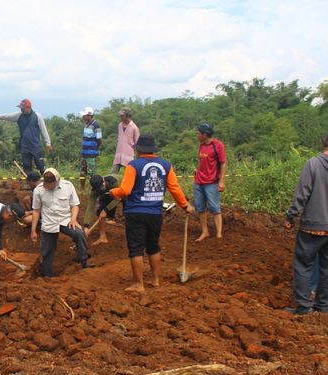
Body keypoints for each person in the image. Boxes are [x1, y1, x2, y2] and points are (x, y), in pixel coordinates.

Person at [109, 134, 194, 292]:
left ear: (139, 150)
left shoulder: (133, 165)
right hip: (155, 212)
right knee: (153, 246)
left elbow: (126, 190)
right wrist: (185, 205)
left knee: (136, 248)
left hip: (135, 212)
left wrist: (114, 192)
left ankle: (139, 284)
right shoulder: (165, 165)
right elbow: (174, 188)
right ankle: (155, 280)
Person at [284, 134, 328, 315]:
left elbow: (302, 194)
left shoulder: (314, 164)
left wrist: (291, 216)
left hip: (312, 225)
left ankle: (304, 306)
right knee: (326, 267)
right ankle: (324, 306)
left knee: (303, 264)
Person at [31, 168, 95, 277]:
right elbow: (36, 211)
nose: (48, 187)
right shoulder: (38, 190)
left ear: (57, 180)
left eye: (51, 184)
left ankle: (84, 261)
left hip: (66, 220)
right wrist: (33, 231)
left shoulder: (68, 186)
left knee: (79, 234)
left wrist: (73, 219)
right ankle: (48, 275)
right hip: (49, 223)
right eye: (46, 184)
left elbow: (75, 205)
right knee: (47, 250)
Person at [0, 98, 53, 174]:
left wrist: (48, 143)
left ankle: (47, 183)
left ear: (29, 107)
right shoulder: (18, 116)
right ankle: (29, 182)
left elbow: (44, 130)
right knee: (27, 166)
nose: (21, 110)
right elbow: (5, 116)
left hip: (36, 146)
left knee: (41, 165)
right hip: (24, 146)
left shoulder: (37, 116)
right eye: (21, 108)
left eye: (23, 108)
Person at [193, 123, 227, 242]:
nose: (197, 135)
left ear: (205, 134)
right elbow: (202, 162)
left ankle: (218, 234)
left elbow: (223, 163)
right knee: (200, 207)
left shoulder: (218, 145)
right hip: (199, 181)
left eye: (198, 133)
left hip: (212, 182)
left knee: (214, 207)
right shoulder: (201, 146)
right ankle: (205, 231)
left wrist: (221, 181)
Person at [85, 174, 120, 245]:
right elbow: (90, 207)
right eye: (99, 189)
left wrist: (106, 210)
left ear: (103, 181)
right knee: (100, 212)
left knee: (130, 213)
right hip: (109, 193)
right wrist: (86, 225)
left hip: (124, 190)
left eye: (102, 187)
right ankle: (103, 237)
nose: (101, 189)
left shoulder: (113, 182)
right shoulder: (95, 190)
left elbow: (119, 198)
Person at [79, 107, 102, 192]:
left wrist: (94, 148)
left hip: (92, 153)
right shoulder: (86, 125)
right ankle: (82, 188)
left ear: (89, 115)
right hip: (84, 153)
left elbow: (99, 140)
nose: (83, 117)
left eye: (85, 115)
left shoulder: (96, 125)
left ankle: (91, 189)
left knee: (92, 173)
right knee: (82, 171)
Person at [112, 107, 140, 174]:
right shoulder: (120, 125)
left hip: (128, 154)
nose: (121, 117)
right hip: (118, 154)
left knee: (128, 173)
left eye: (122, 116)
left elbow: (137, 142)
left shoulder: (134, 127)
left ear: (127, 116)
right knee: (113, 174)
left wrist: (137, 155)